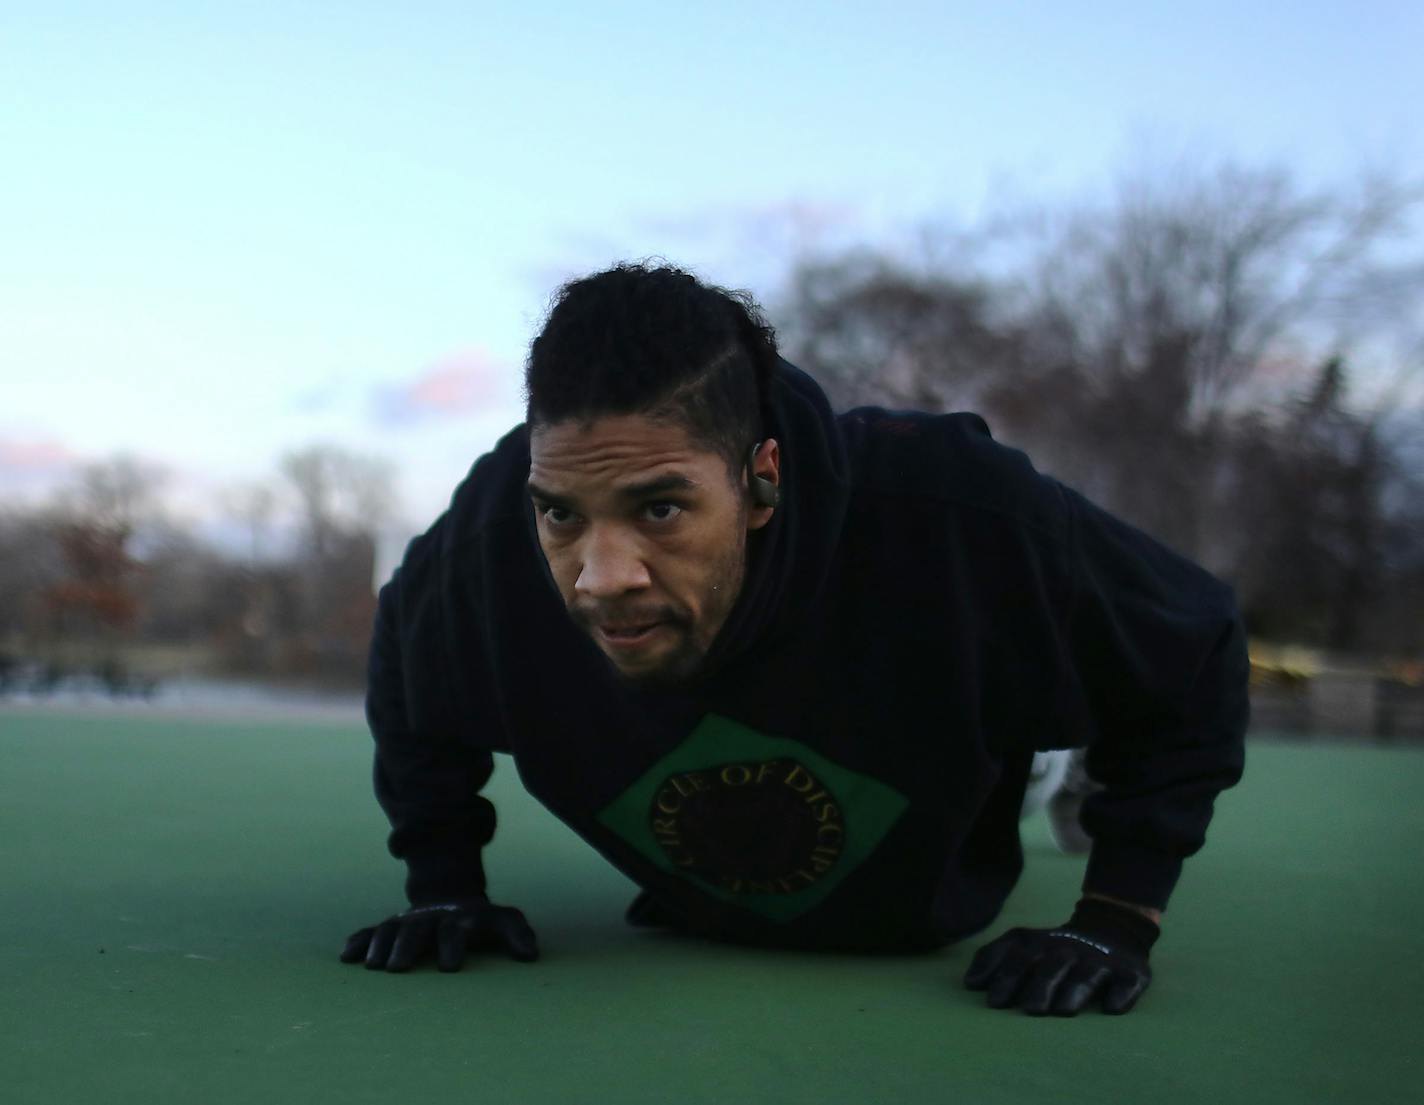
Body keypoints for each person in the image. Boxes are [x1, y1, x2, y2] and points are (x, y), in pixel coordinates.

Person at [339, 263, 1249, 1016]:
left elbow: (1196, 641)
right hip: (720, 872)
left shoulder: (956, 514)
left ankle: (1060, 762)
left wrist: (1115, 917)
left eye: (661, 506)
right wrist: (445, 879)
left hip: (942, 737)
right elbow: (409, 668)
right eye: (562, 516)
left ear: (761, 481)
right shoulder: (488, 544)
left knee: (1030, 729)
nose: (600, 574)